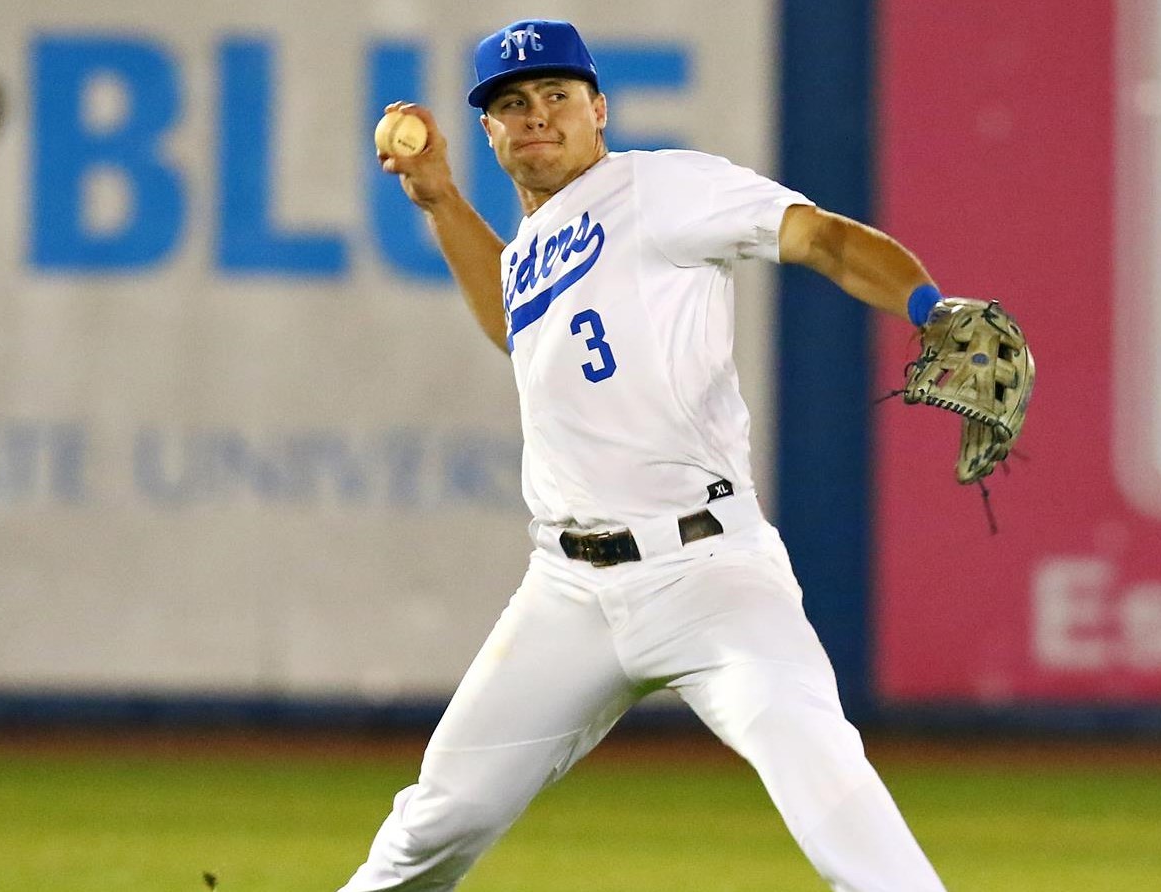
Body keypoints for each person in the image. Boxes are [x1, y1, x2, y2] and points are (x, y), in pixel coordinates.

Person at [339, 18, 951, 892]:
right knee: (438, 821)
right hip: (569, 589)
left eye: (555, 95)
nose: (536, 115)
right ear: (490, 132)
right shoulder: (539, 248)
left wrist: (929, 306)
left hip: (710, 572)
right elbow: (513, 323)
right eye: (512, 104)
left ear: (599, 108)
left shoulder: (663, 187)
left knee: (824, 777)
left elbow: (822, 238)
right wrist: (440, 199)